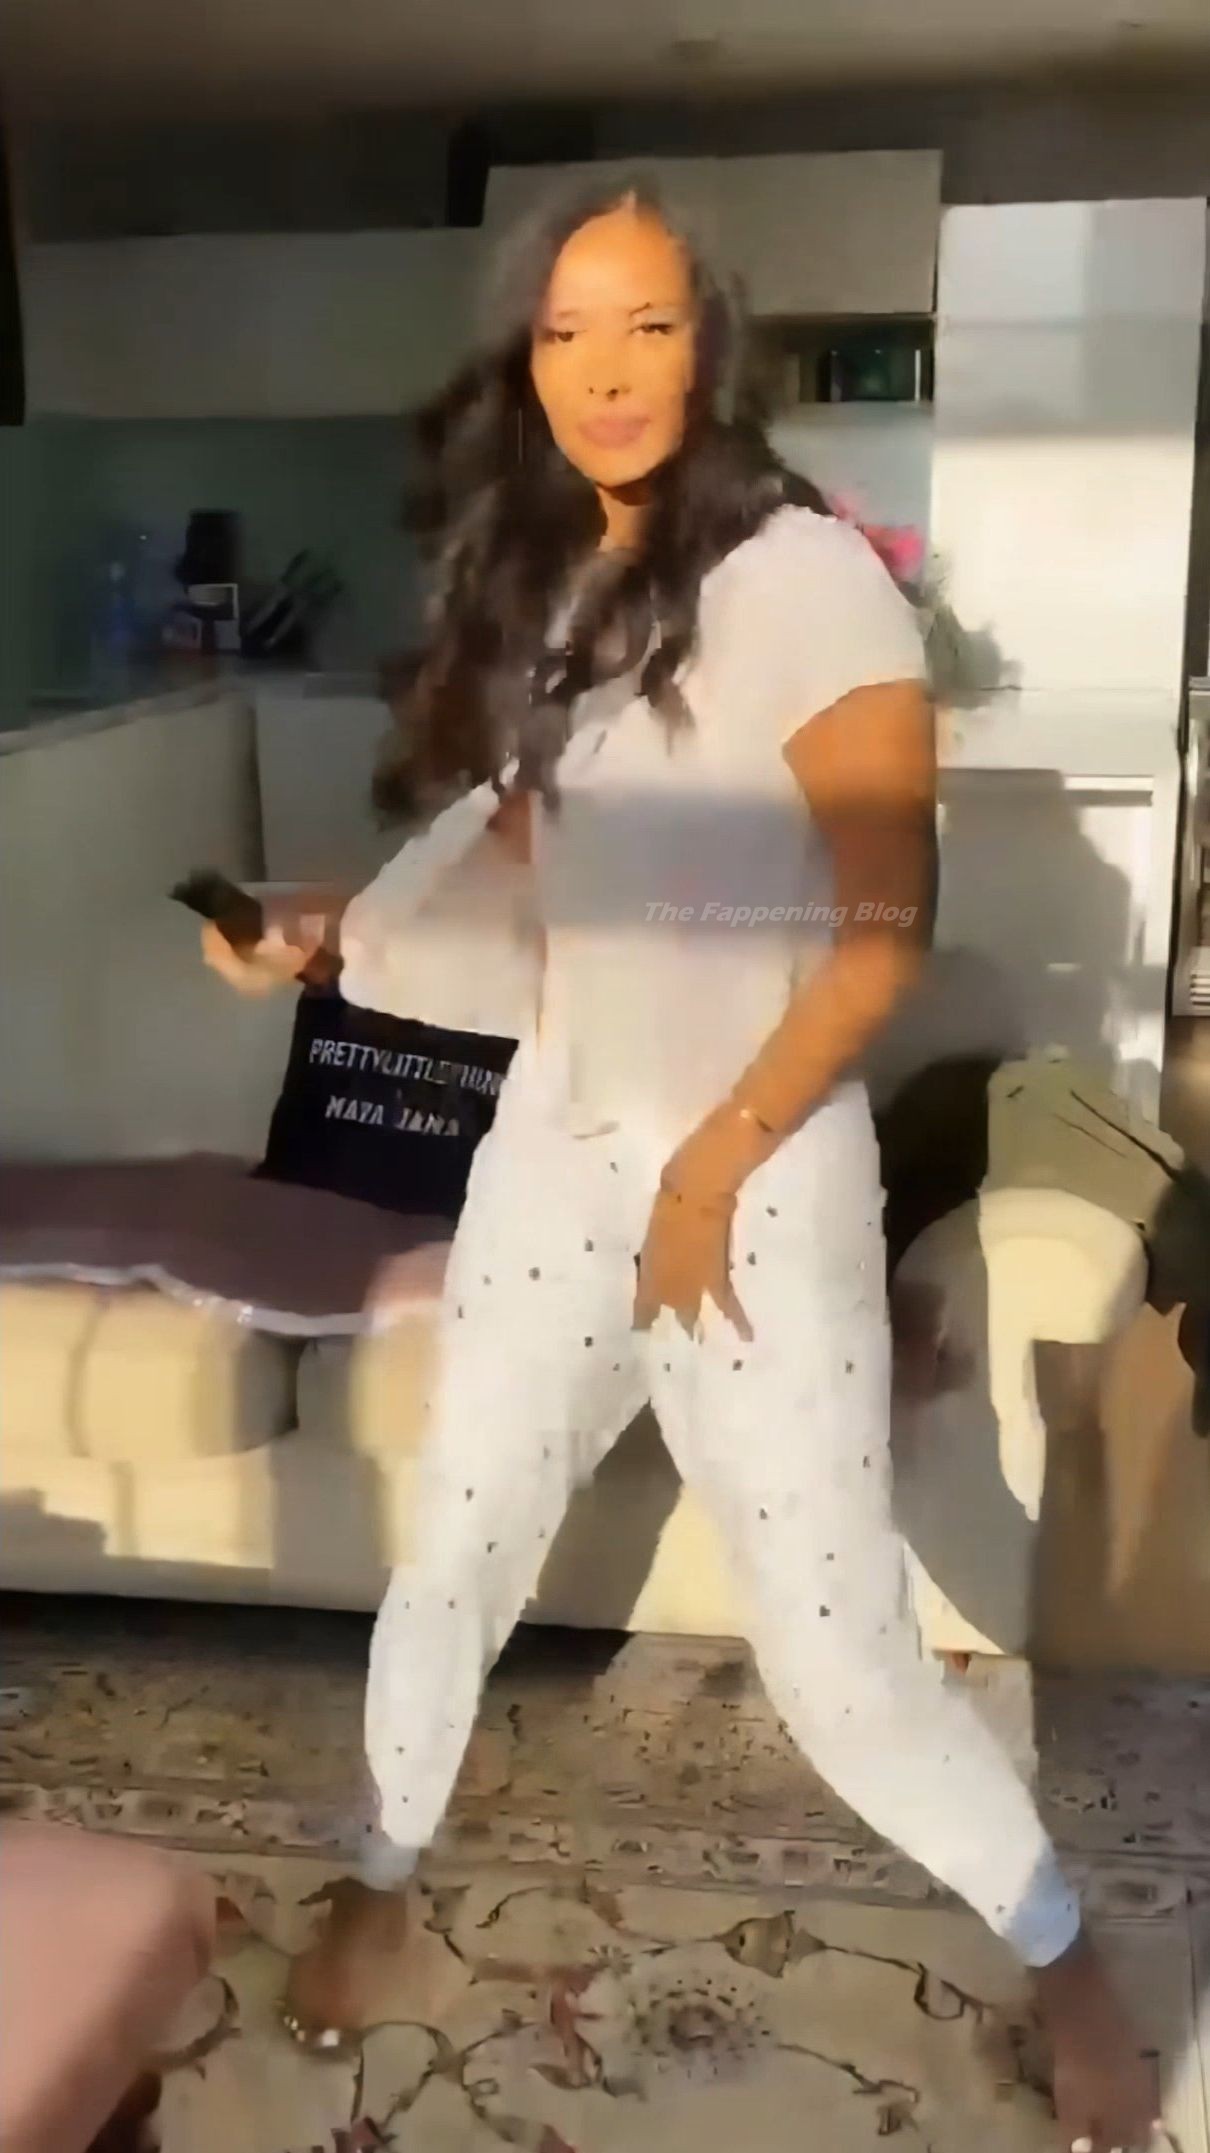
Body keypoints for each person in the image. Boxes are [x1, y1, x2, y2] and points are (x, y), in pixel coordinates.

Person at [204, 181, 1160, 2150]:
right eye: (565, 332)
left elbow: (882, 930)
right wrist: (331, 934)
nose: (605, 370)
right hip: (554, 1157)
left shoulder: (813, 582)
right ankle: (382, 1881)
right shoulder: (573, 593)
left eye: (643, 324)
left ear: (711, 345)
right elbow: (535, 858)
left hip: (759, 1170)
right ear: (526, 365)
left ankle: (1062, 1952)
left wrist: (710, 1174)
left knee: (836, 1661)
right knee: (454, 1551)